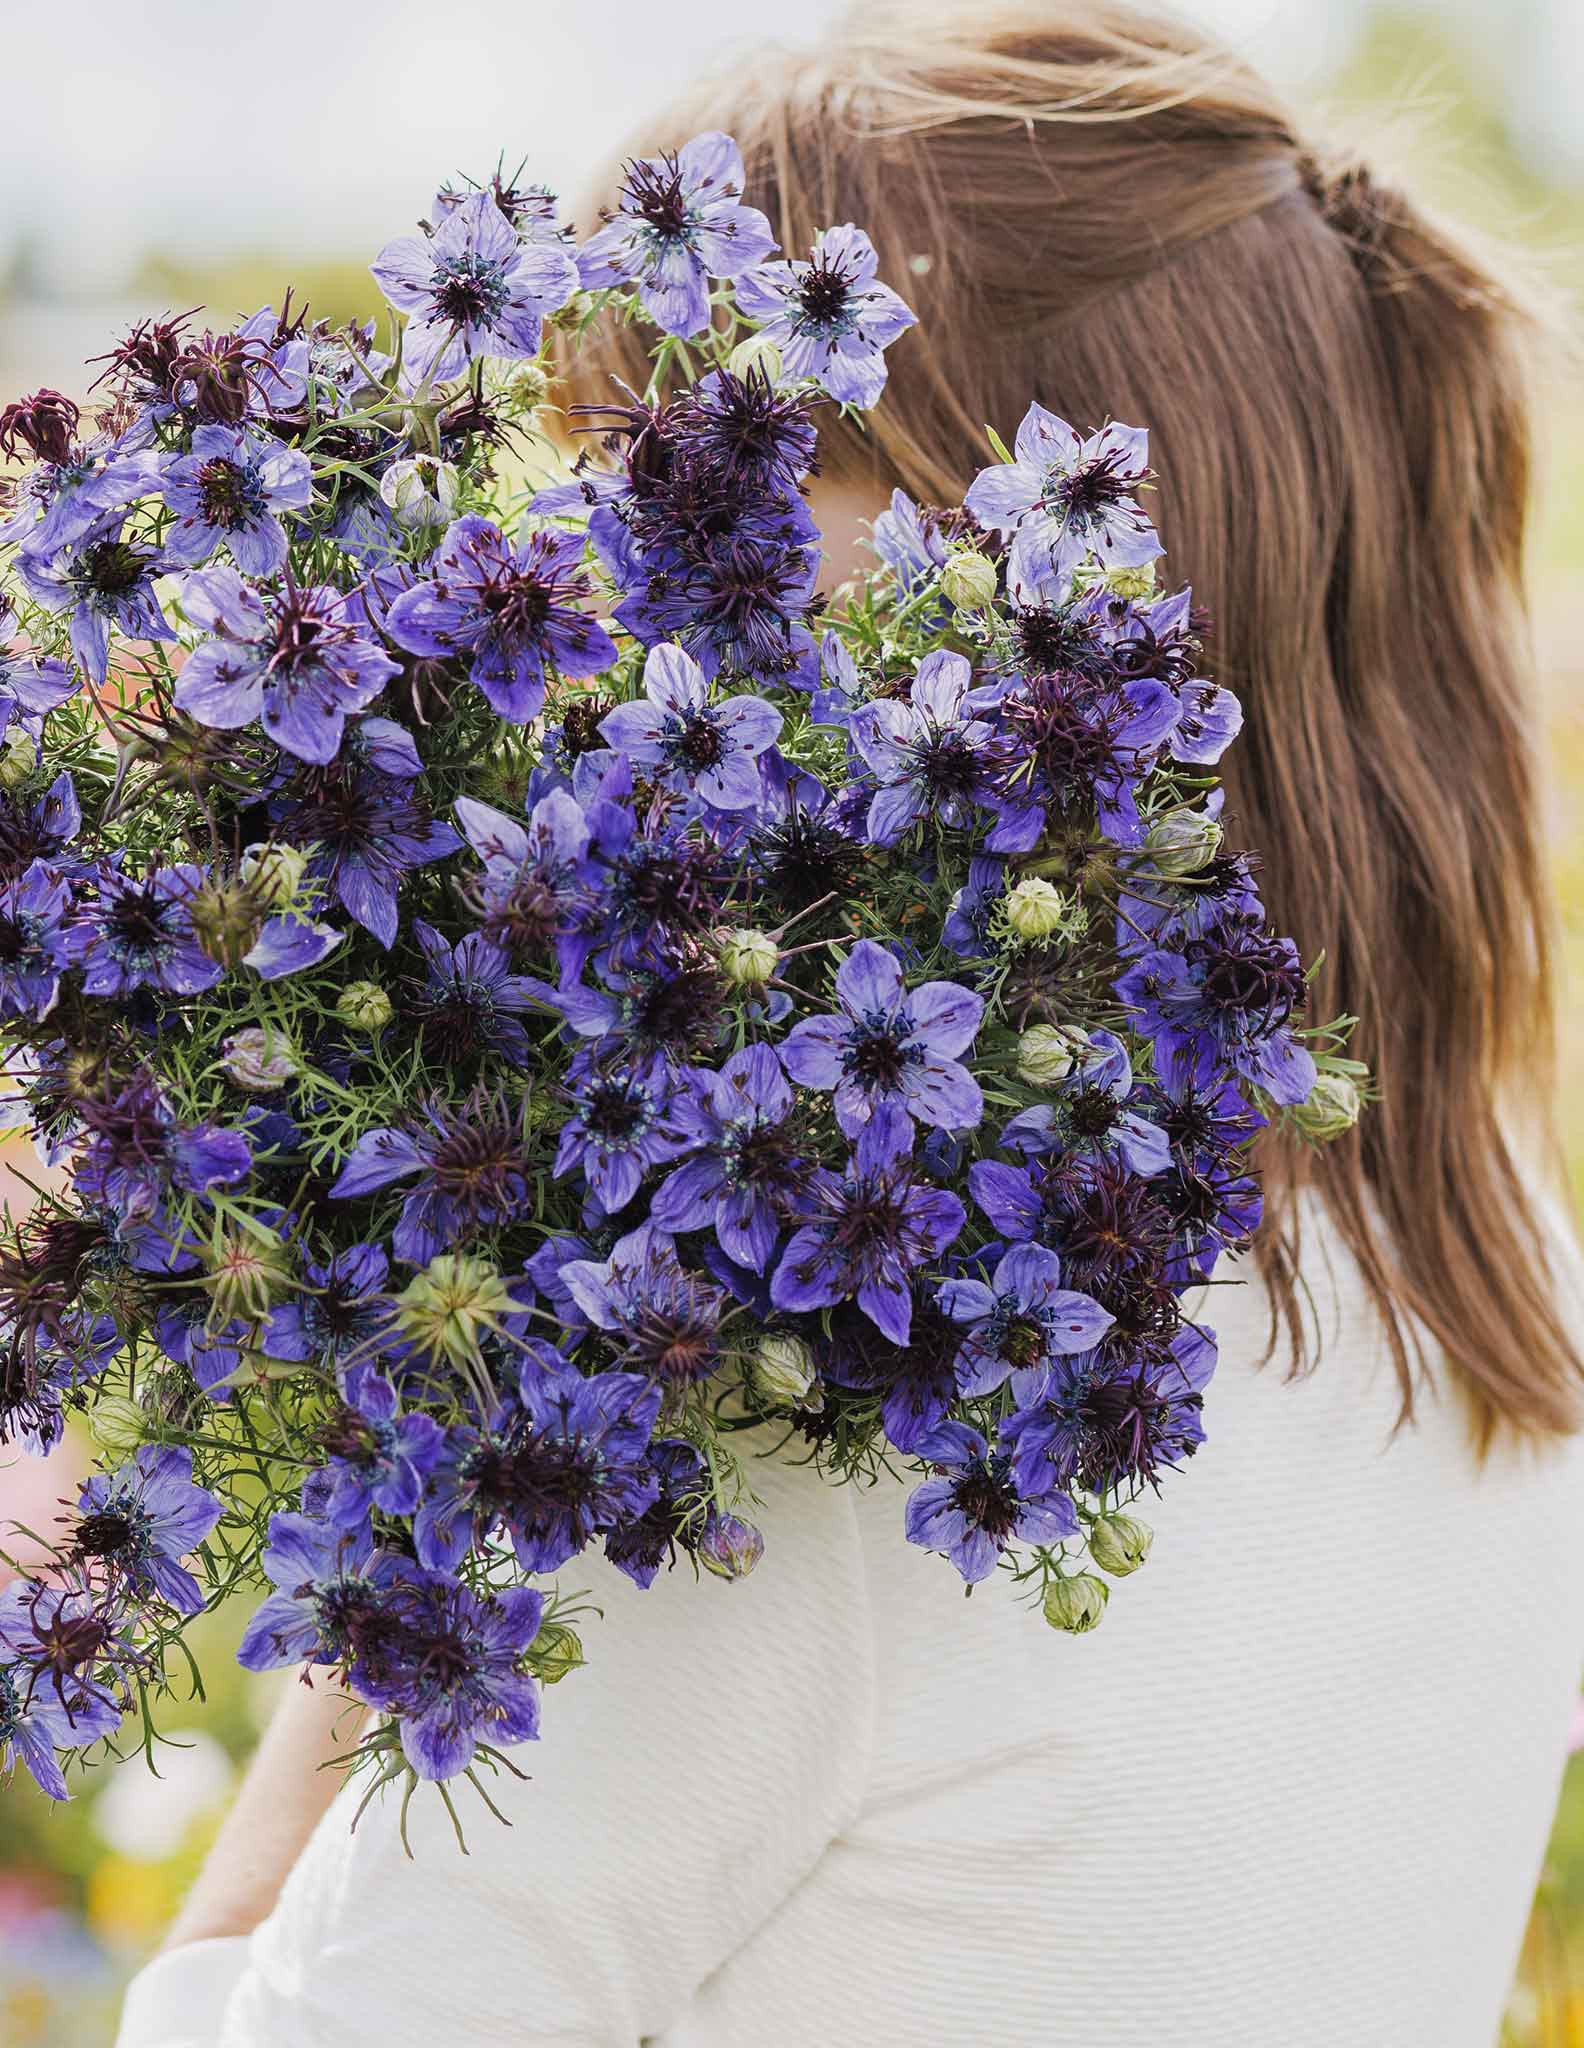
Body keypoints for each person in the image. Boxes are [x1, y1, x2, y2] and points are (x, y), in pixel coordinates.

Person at [117, 6, 1584, 2041]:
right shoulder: (1493, 1270)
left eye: (721, 473)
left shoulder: (843, 1430)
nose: (592, 579)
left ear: (1054, 542)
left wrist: (422, 1535)